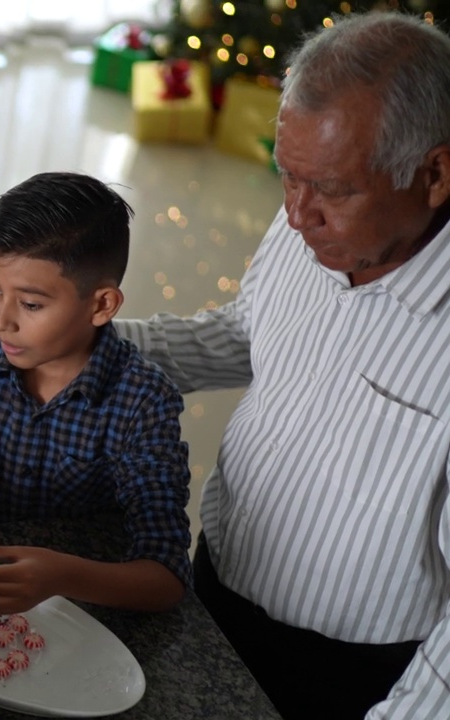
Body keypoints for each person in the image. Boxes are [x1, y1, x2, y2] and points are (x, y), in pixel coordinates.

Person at [115, 12, 450, 719]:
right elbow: (250, 333)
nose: (297, 216)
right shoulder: (314, 211)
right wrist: (88, 345)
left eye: (330, 190)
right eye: (286, 179)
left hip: (348, 674)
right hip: (215, 580)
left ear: (435, 172)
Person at [0, 172, 192, 613]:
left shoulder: (143, 401)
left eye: (31, 304)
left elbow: (165, 575)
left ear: (102, 305)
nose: (2, 319)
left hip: (83, 617)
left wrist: (62, 576)